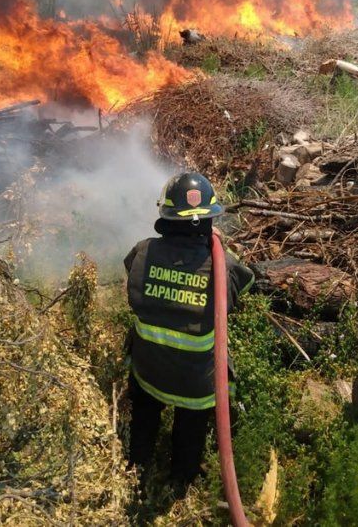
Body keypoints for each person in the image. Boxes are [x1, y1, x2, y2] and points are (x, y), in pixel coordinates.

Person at [124, 172, 254, 489]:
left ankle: (136, 466)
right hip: (196, 385)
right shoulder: (224, 265)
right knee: (190, 431)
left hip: (148, 372)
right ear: (209, 220)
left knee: (143, 419)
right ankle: (180, 481)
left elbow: (131, 269)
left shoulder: (142, 251)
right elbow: (247, 281)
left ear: (166, 217)